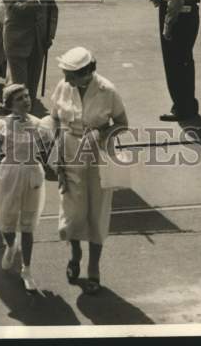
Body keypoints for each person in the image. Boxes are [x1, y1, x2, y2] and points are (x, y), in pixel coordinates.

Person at [49, 46, 129, 296]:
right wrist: (56, 154)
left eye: (69, 74)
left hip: (100, 155)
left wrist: (100, 133)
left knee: (97, 212)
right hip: (69, 151)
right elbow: (53, 119)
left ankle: (93, 267)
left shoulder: (108, 90)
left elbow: (122, 124)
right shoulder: (64, 87)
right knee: (72, 212)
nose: (65, 79)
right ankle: (75, 254)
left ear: (84, 73)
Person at [0, 83, 47, 293]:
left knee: (27, 226)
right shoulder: (3, 125)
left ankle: (26, 270)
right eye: (20, 98)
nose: (26, 101)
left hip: (31, 174)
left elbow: (46, 152)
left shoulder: (38, 124)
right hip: (8, 175)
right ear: (10, 104)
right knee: (7, 223)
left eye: (27, 96)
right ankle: (10, 246)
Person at [0, 0, 53, 101]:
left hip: (38, 38)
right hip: (17, 39)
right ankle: (16, 115)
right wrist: (39, 0)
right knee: (19, 87)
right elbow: (14, 8)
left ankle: (28, 116)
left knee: (32, 87)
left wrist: (50, 35)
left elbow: (52, 10)